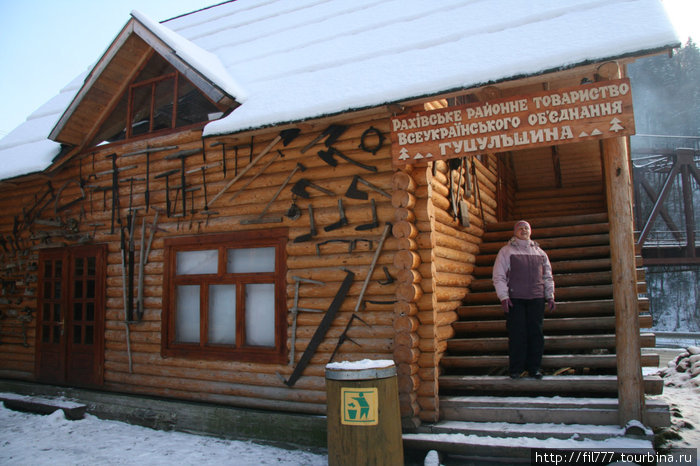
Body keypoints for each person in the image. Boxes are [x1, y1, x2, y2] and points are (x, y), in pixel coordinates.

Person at [492, 220, 555, 379]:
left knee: (536, 334)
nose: (523, 230)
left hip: (536, 298)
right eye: (520, 228)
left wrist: (550, 295)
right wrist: (504, 296)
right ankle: (516, 369)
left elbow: (547, 276)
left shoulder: (540, 253)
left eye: (526, 228)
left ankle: (534, 368)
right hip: (515, 299)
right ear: (515, 232)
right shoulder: (506, 251)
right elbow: (499, 276)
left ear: (530, 231)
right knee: (517, 334)